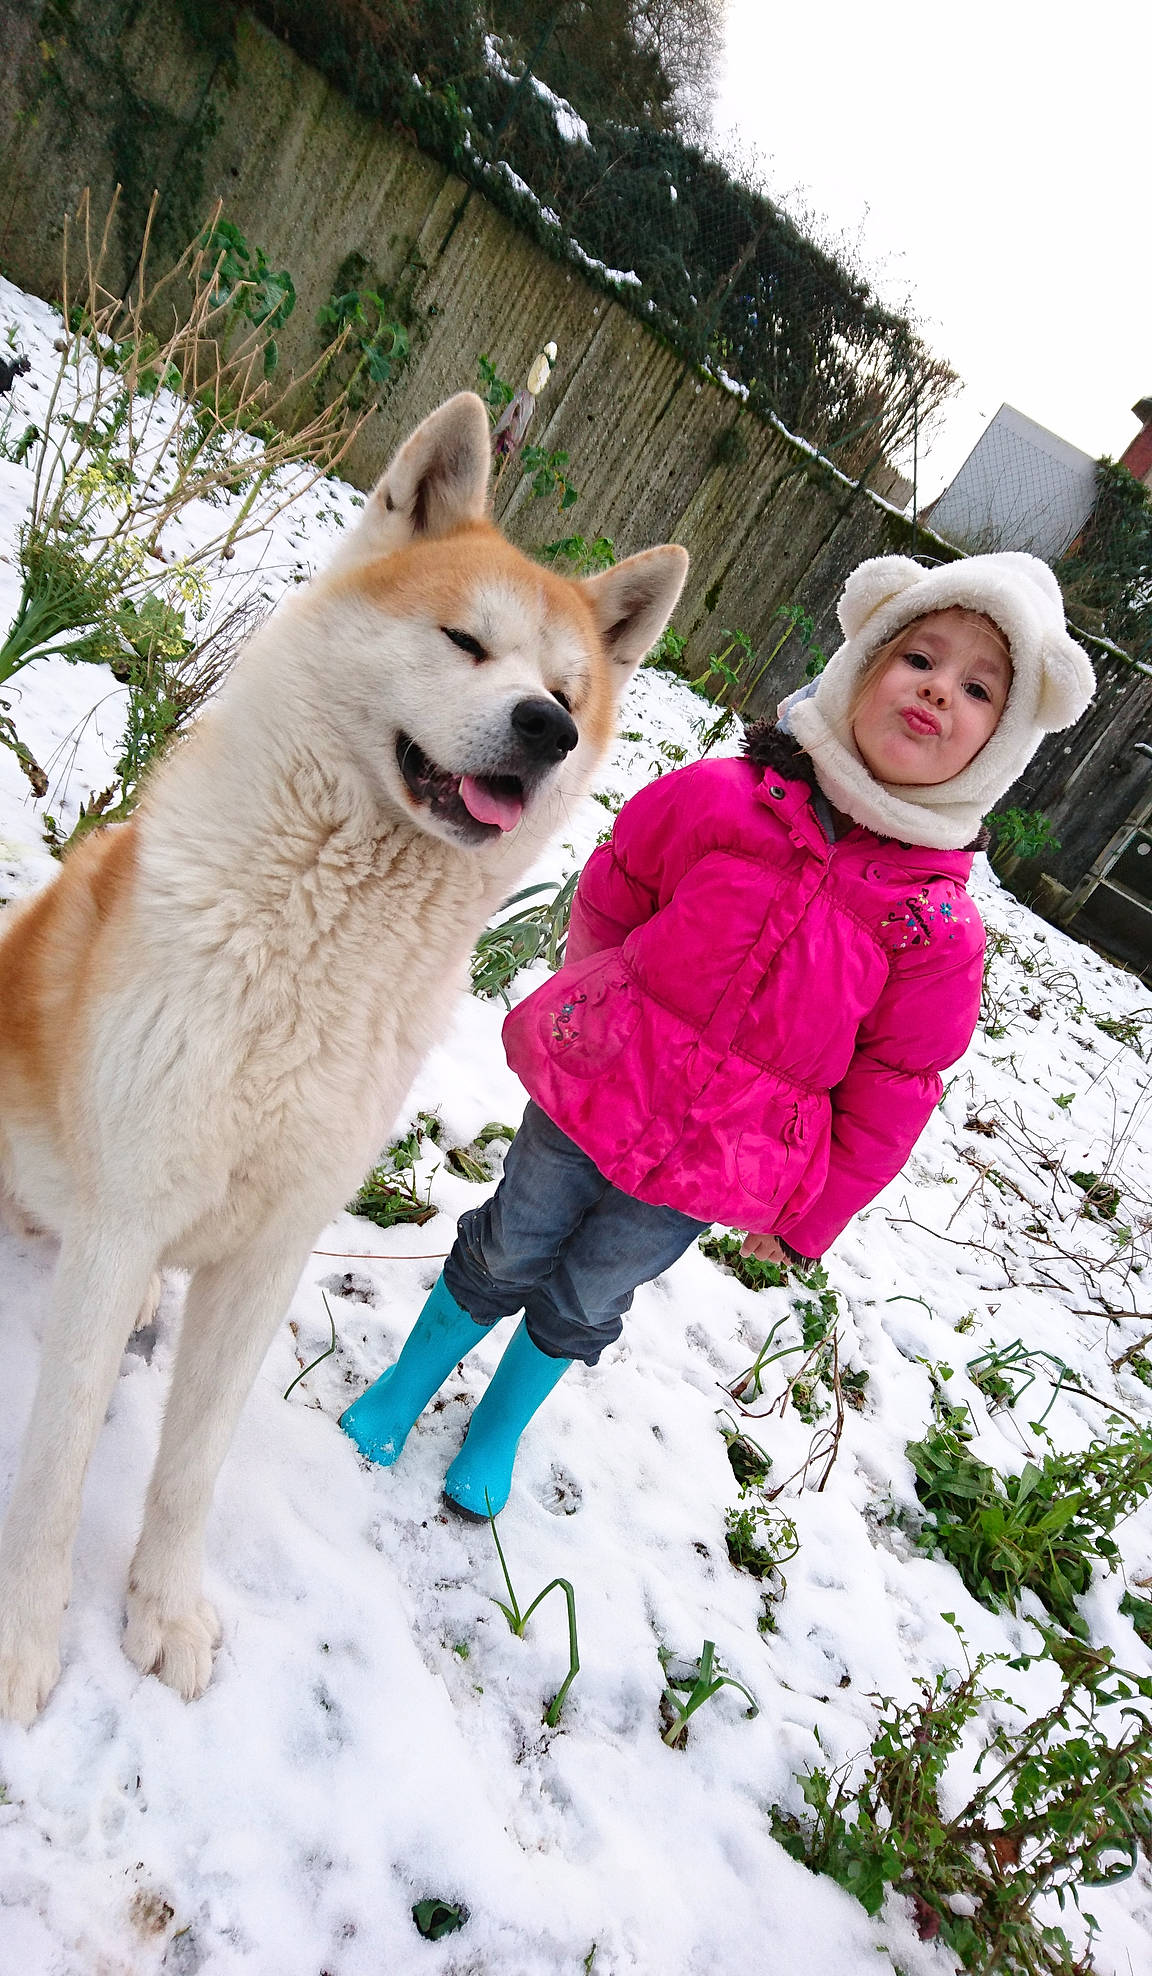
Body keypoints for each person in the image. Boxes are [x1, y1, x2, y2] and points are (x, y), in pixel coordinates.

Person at [340, 552, 1095, 1514]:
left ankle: (499, 1425)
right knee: (508, 1244)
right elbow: (619, 886)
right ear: (864, 663)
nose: (938, 690)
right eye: (920, 659)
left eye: (979, 687)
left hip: (719, 1158)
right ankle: (408, 1383)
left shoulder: (935, 930)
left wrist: (812, 1213)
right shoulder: (724, 797)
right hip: (597, 1090)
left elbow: (895, 1087)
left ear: (1000, 746)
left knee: (586, 1295)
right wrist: (589, 1003)